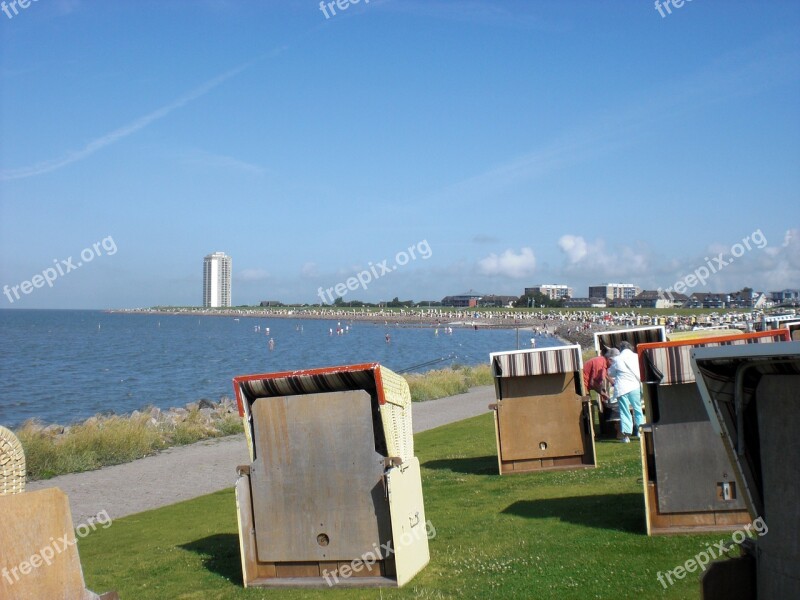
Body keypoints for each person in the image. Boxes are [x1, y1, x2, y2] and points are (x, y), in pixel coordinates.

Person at [608, 341, 644, 443]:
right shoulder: (636, 356)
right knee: (638, 410)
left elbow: (611, 373)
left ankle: (626, 436)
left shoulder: (617, 359)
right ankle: (640, 432)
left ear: (621, 349)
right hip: (634, 386)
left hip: (622, 388)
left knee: (624, 412)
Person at [583, 348, 620, 438]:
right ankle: (590, 434)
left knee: (589, 409)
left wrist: (613, 383)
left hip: (587, 386)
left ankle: (591, 433)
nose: (615, 364)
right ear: (610, 359)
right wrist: (602, 393)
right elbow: (593, 382)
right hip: (583, 387)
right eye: (614, 362)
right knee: (587, 410)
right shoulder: (599, 363)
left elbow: (606, 374)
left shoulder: (603, 362)